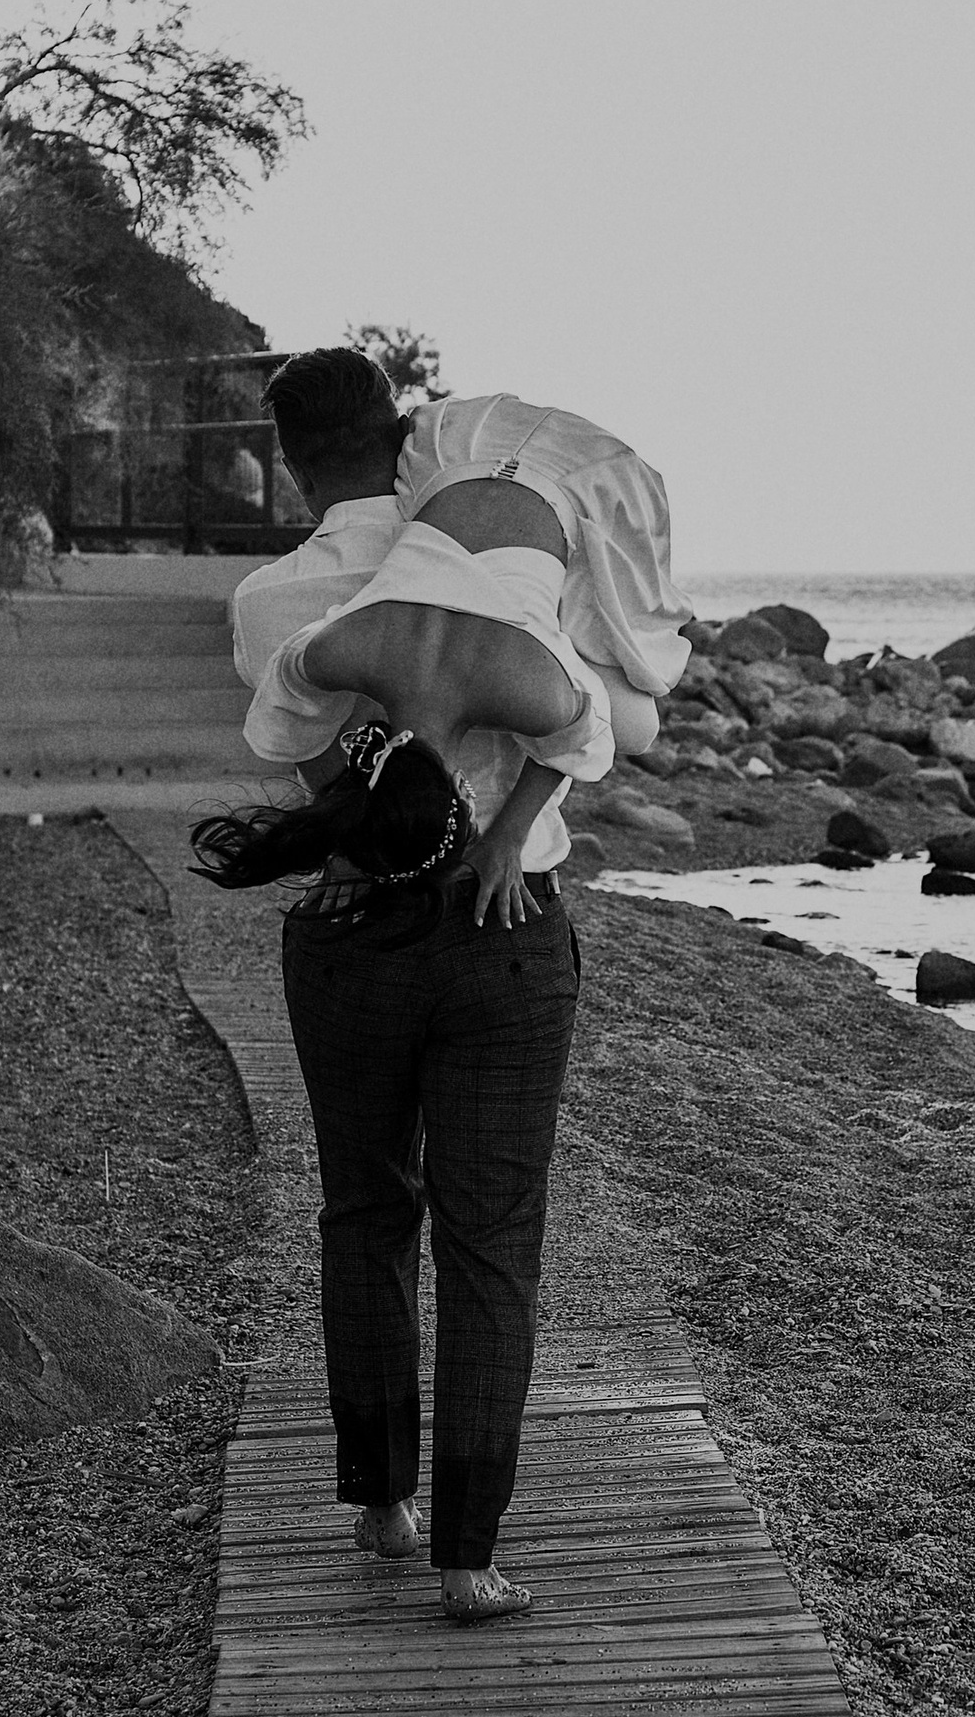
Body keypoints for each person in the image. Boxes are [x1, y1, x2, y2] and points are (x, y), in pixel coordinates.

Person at [210, 349, 684, 1624]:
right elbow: (612, 728)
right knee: (492, 1246)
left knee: (365, 1215)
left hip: (354, 927)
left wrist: (368, 823)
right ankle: (469, 1556)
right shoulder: (499, 558)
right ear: (407, 433)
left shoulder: (278, 604)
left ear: (291, 460)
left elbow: (302, 758)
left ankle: (381, 1502)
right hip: (504, 926)